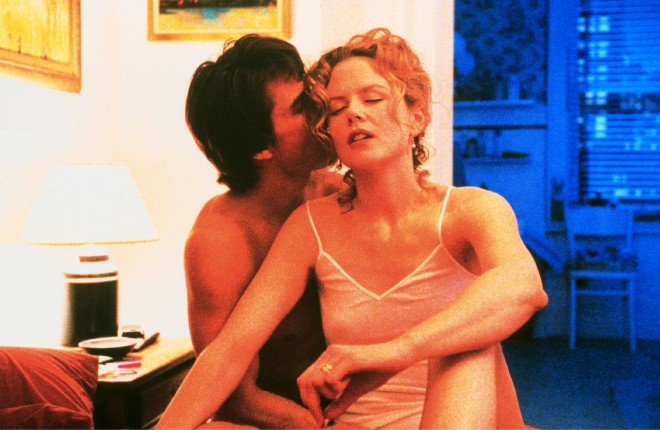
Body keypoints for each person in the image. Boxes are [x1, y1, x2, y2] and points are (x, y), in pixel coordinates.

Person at [158, 28, 548, 429]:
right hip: (354, 422)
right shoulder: (306, 224)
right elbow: (228, 352)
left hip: (461, 413)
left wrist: (394, 352)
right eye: (334, 108)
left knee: (468, 341)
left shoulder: (474, 209)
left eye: (373, 99)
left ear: (416, 116)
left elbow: (523, 287)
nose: (353, 114)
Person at [183, 34, 342, 428]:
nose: (324, 111)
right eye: (303, 107)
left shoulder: (335, 193)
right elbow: (233, 396)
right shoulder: (220, 241)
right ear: (260, 146)